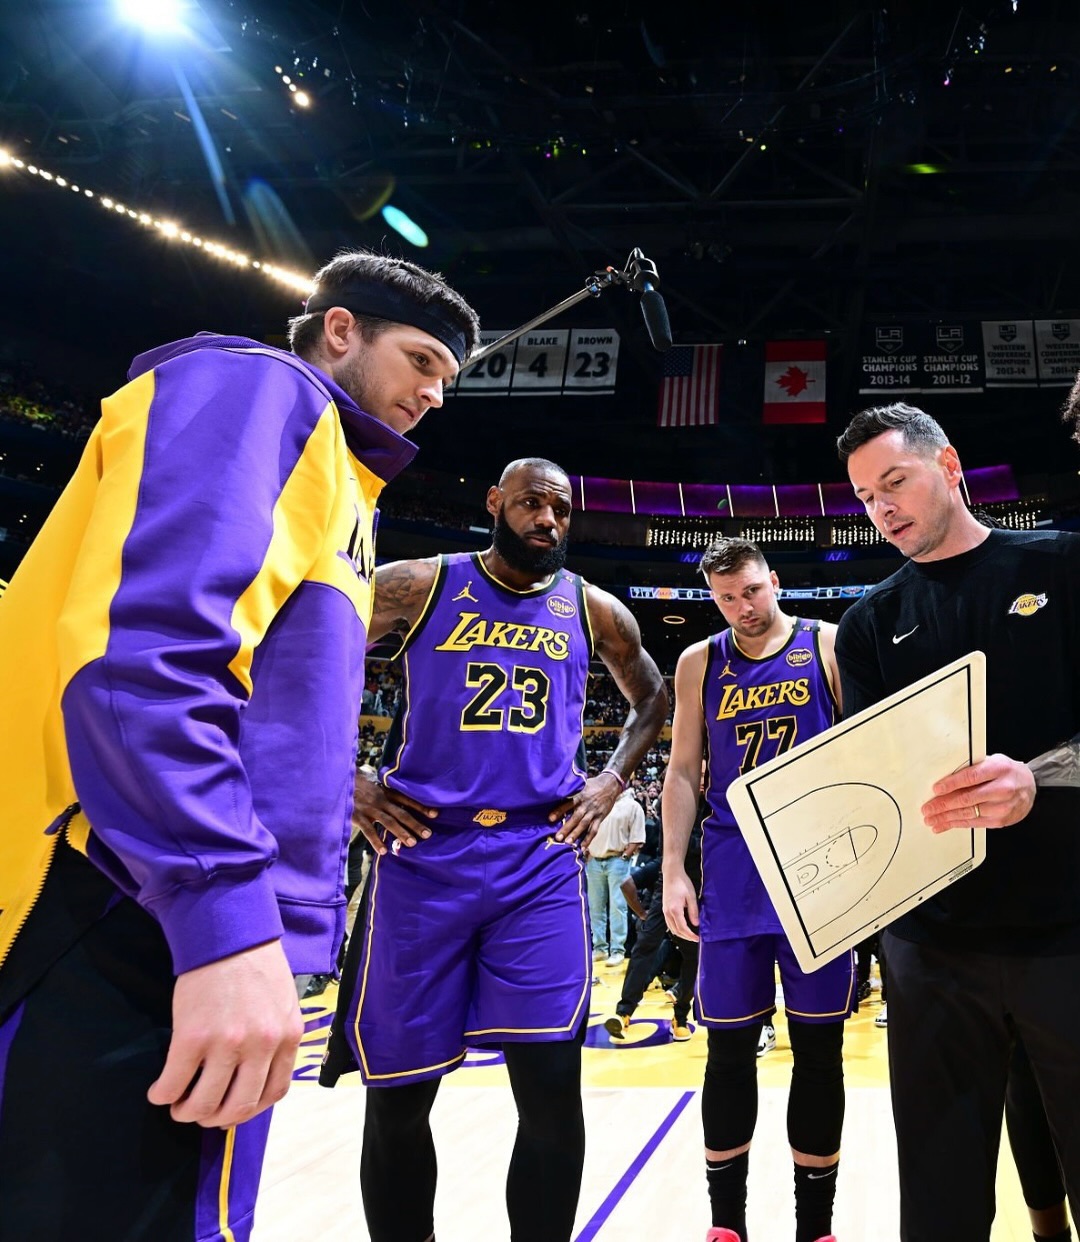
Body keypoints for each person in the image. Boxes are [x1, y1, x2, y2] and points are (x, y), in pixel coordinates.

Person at [0, 249, 480, 1240]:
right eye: (423, 359)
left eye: (449, 378)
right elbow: (145, 659)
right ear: (340, 330)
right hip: (115, 901)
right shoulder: (261, 389)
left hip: (156, 902)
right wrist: (224, 918)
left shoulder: (342, 477)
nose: (436, 393)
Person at [319, 457, 668, 1242]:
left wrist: (612, 780)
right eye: (531, 503)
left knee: (551, 1093)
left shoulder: (592, 608)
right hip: (423, 854)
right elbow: (301, 656)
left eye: (561, 509)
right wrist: (344, 777)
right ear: (494, 503)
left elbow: (652, 696)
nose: (547, 520)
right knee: (399, 1099)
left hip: (536, 859)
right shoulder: (421, 584)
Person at [835, 401, 1080, 1242]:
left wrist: (1037, 780)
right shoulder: (869, 624)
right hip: (932, 949)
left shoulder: (1062, 567)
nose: (882, 508)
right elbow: (873, 789)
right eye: (866, 497)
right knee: (941, 1210)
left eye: (894, 482)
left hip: (1068, 935)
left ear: (948, 467)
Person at [663, 536, 851, 1242]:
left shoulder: (826, 644)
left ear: (774, 580)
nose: (743, 607)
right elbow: (683, 771)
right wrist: (674, 869)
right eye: (726, 598)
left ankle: (815, 1228)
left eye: (751, 590)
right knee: (728, 1054)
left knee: (820, 1052)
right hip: (733, 876)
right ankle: (727, 1226)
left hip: (819, 876)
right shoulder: (699, 661)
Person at [606, 783, 703, 1043]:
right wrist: (642, 914)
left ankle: (680, 1017)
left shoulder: (713, 802)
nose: (702, 777)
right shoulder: (672, 798)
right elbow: (676, 846)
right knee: (645, 947)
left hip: (700, 886)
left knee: (693, 954)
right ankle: (624, 1012)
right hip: (668, 883)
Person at [587, 783, 646, 967]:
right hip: (594, 859)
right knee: (595, 907)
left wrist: (625, 856)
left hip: (617, 859)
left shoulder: (633, 805)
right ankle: (599, 948)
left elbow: (637, 838)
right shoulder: (598, 802)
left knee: (617, 907)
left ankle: (617, 950)